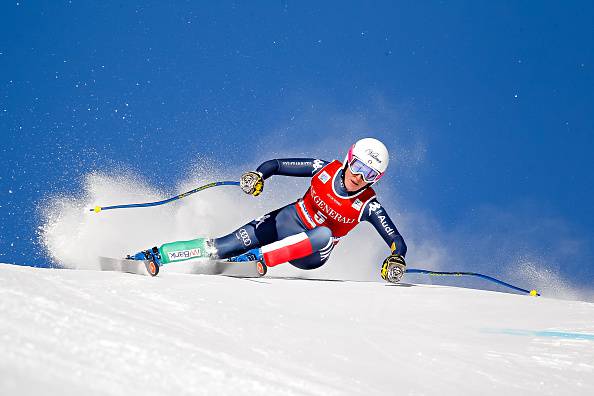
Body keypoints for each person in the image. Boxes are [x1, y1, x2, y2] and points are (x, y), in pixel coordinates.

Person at [129, 138, 408, 283]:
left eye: (369, 174)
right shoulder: (324, 169)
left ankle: (256, 260)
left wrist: (396, 258)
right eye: (358, 166)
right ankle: (155, 256)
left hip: (310, 251)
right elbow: (275, 164)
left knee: (324, 233)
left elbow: (397, 240)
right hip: (288, 221)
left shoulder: (367, 204)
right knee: (223, 246)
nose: (359, 177)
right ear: (349, 160)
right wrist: (258, 177)